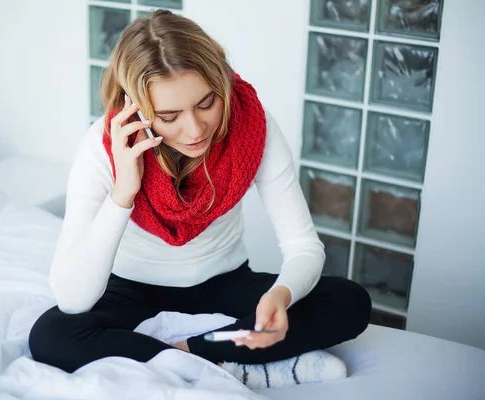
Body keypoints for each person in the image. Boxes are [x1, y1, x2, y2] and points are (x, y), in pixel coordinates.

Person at [29, 9, 371, 389]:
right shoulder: (103, 146)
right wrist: (124, 190)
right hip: (132, 289)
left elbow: (303, 246)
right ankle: (233, 360)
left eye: (207, 103)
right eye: (169, 115)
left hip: (223, 282)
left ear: (221, 83)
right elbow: (73, 298)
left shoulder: (253, 126)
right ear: (136, 110)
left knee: (350, 301)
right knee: (50, 335)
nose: (194, 130)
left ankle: (189, 353)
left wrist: (281, 294)